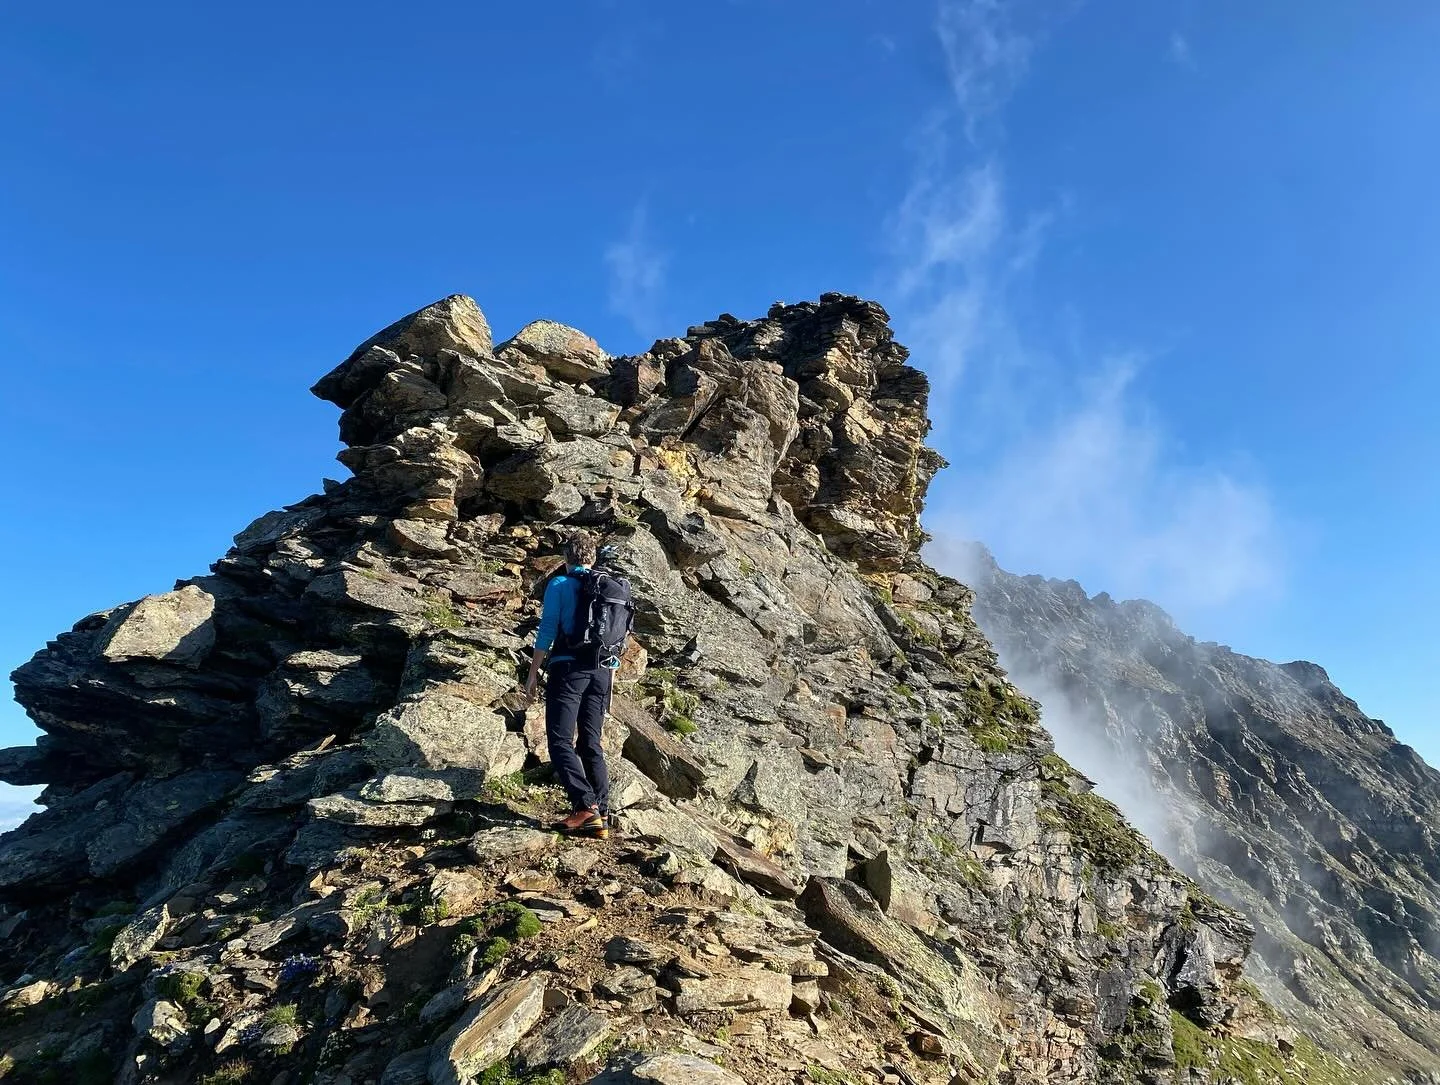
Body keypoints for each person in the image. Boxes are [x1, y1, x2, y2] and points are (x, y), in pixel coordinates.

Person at [523, 530, 617, 836]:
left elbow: (548, 629)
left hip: (569, 668)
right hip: (602, 672)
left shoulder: (561, 583)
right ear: (592, 558)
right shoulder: (609, 588)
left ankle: (585, 807)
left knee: (560, 740)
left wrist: (533, 671)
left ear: (566, 558)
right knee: (591, 742)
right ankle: (601, 812)